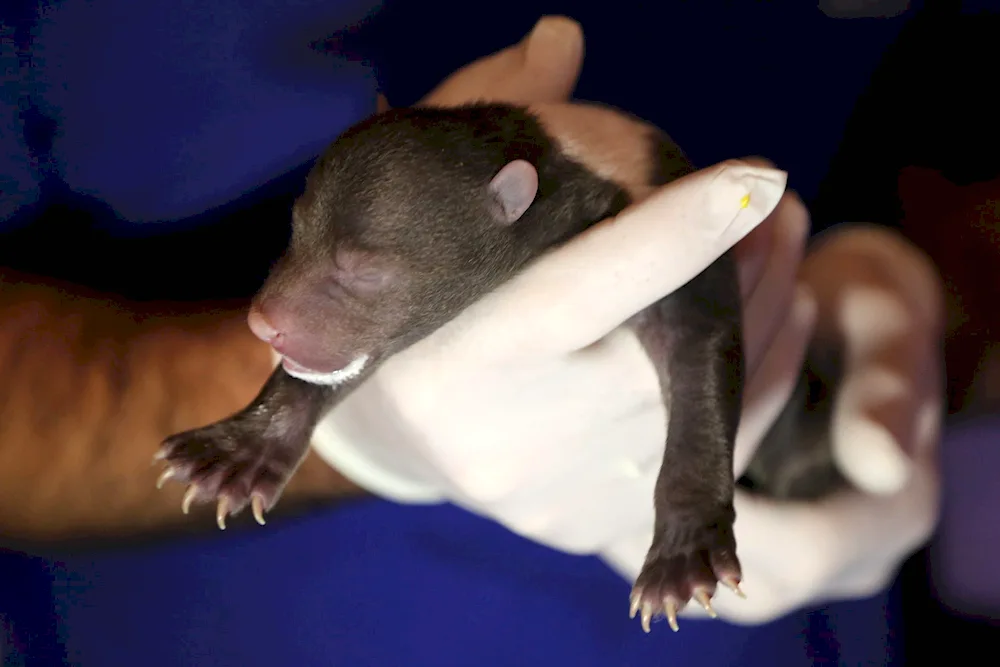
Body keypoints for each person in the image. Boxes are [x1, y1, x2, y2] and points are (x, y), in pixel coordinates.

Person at [0, 9, 942, 666]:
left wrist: (913, 291)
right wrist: (333, 433)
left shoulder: (590, 187)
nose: (268, 313)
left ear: (512, 204)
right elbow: (347, 330)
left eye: (355, 265)